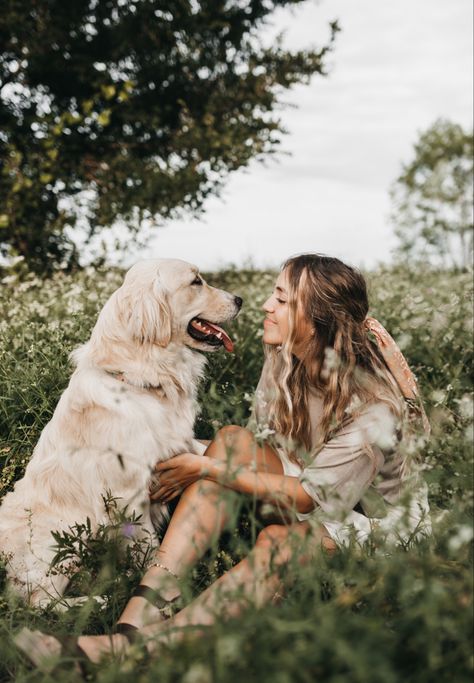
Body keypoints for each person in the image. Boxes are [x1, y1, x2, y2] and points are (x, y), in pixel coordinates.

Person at [16, 254, 431, 666]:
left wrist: (205, 467)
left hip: (378, 526)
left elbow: (308, 498)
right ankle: (141, 612)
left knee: (282, 541)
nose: (267, 305)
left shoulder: (375, 406)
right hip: (311, 483)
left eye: (283, 300)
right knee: (231, 441)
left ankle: (134, 651)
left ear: (318, 318)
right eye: (274, 293)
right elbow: (265, 445)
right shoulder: (286, 354)